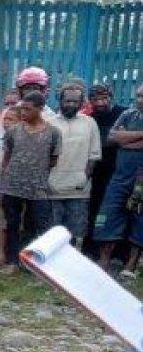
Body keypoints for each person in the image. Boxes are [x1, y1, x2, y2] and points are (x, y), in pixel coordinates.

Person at [0, 91, 62, 274]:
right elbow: (7, 157)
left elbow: (53, 160)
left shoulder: (53, 133)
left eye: (28, 109)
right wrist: (4, 182)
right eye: (22, 109)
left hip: (38, 188)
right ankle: (12, 261)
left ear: (40, 109)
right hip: (12, 187)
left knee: (37, 225)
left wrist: (35, 170)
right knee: (12, 224)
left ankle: (32, 262)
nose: (23, 112)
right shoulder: (13, 131)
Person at [94, 85, 143, 273]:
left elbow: (122, 139)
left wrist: (126, 139)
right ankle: (104, 262)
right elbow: (112, 138)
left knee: (139, 219)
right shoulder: (128, 114)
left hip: (141, 178)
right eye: (138, 95)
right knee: (107, 214)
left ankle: (130, 266)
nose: (140, 100)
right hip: (120, 176)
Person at [48, 84, 101, 248]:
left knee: (76, 233)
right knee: (52, 233)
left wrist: (84, 179)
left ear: (81, 103)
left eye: (75, 101)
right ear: (60, 101)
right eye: (67, 101)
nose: (71, 104)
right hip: (52, 188)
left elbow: (93, 156)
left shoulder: (89, 123)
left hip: (78, 190)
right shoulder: (49, 123)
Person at [87, 84, 127, 250]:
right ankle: (91, 248)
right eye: (95, 99)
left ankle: (119, 252)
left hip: (120, 171)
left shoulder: (123, 114)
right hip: (96, 172)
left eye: (104, 98)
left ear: (111, 97)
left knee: (119, 210)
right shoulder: (89, 118)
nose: (100, 103)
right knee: (95, 208)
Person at [0, 103, 23, 268]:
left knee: (14, 223)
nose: (7, 122)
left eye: (11, 119)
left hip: (13, 187)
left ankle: (15, 257)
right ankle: (1, 254)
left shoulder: (22, 141)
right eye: (5, 119)